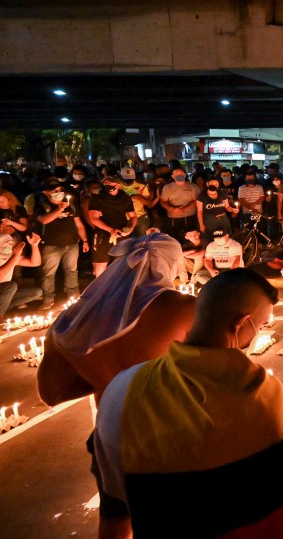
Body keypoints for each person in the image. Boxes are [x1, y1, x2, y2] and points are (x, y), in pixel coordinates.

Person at [94, 268, 283, 538]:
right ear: (241, 324)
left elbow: (115, 514)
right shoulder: (262, 392)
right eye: (261, 326)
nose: (259, 334)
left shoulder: (123, 389)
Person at [37, 234, 196, 539]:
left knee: (116, 519)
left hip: (111, 435)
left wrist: (106, 379)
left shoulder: (73, 319)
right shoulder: (183, 308)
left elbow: (51, 392)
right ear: (168, 265)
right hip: (172, 431)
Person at [34, 178, 89, 310]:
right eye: (55, 191)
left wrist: (85, 240)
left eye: (60, 190)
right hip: (51, 245)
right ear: (46, 193)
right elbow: (44, 220)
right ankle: (48, 299)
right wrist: (59, 210)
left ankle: (73, 296)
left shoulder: (71, 205)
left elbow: (79, 224)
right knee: (48, 273)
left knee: (71, 271)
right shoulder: (41, 206)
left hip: (71, 244)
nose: (59, 193)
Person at [0, 230, 41, 315]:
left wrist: (34, 246)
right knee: (11, 286)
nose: (11, 244)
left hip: (4, 295)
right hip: (4, 290)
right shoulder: (12, 257)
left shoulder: (10, 257)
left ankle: (4, 308)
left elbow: (35, 262)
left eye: (12, 241)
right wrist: (15, 256)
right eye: (7, 242)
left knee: (36, 292)